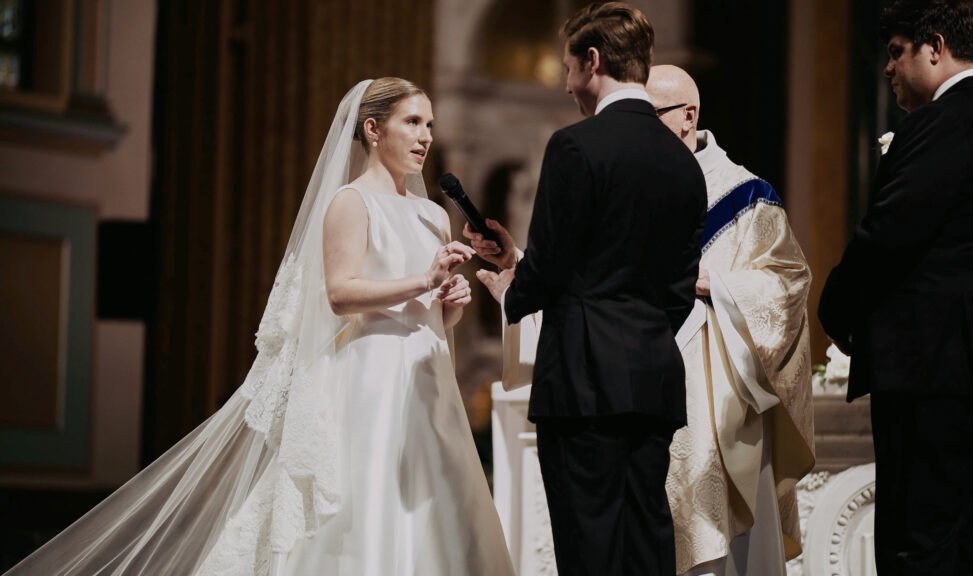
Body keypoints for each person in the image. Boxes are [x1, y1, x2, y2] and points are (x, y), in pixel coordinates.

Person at [5, 78, 515, 576]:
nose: (426, 135)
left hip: (428, 381)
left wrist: (451, 300)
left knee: (439, 510)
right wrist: (422, 278)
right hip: (373, 379)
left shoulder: (433, 215)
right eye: (412, 122)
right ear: (374, 129)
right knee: (369, 506)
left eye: (429, 123)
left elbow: (433, 310)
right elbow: (340, 295)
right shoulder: (350, 202)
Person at [473, 3, 707, 574]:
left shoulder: (575, 147)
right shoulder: (685, 164)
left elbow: (552, 265)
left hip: (582, 385)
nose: (568, 85)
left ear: (593, 62)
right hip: (652, 380)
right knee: (647, 546)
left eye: (568, 69)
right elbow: (678, 291)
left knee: (590, 550)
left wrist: (511, 289)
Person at [818, 1, 973, 573]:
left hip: (937, 366)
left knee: (921, 540)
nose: (887, 70)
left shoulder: (947, 120)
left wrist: (834, 309)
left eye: (895, 53)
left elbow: (888, 234)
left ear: (934, 47)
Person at [646, 65, 815, 576]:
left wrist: (717, 285)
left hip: (719, 398)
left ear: (687, 116)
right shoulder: (630, 186)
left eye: (647, 116)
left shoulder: (746, 196)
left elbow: (789, 284)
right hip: (642, 382)